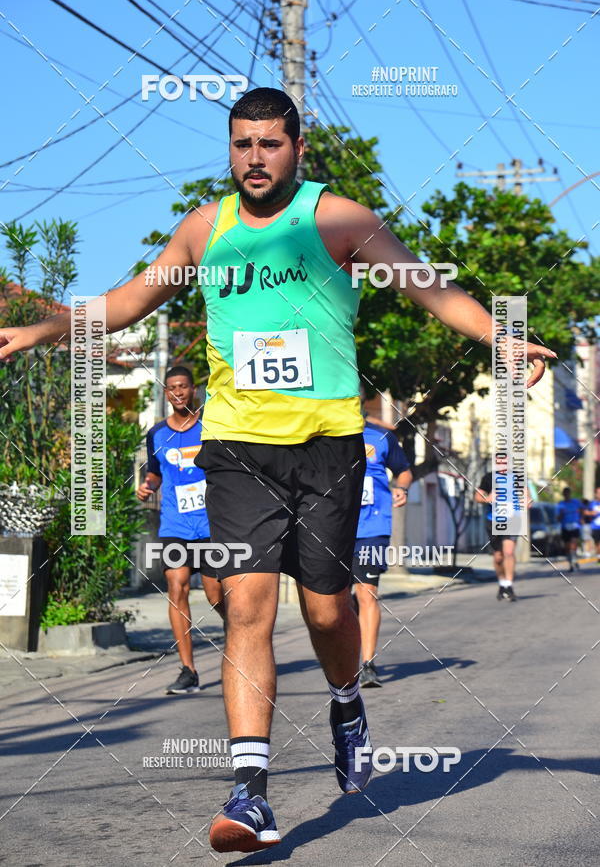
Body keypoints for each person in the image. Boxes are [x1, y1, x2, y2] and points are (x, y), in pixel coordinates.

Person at [0, 88, 555, 854]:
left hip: (327, 448)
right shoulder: (204, 229)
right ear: (228, 149)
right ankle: (251, 794)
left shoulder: (340, 220)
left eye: (269, 144)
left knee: (328, 614)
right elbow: (129, 300)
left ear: (298, 146)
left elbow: (429, 287)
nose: (253, 158)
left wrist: (504, 335)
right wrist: (44, 328)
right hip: (235, 450)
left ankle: (348, 702)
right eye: (240, 144)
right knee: (248, 608)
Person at [136, 366, 224, 693]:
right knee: (177, 587)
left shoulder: (210, 426)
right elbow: (155, 472)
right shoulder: (157, 434)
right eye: (171, 388)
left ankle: (242, 639)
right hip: (175, 524)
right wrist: (147, 485)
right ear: (166, 393)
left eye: (183, 386)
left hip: (211, 523)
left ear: (193, 390)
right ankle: (188, 670)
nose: (177, 392)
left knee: (216, 594)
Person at [352, 414, 412, 688]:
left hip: (373, 527)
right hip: (331, 527)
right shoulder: (319, 432)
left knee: (367, 594)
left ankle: (367, 664)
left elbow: (404, 470)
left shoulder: (381, 437)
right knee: (336, 601)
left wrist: (401, 488)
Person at [474, 460, 532, 601]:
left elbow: (527, 497)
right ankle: (502, 583)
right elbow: (477, 497)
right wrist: (487, 498)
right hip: (494, 521)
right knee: (498, 556)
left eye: (504, 462)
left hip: (513, 520)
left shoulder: (518, 477)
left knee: (509, 552)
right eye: (499, 462)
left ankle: (509, 586)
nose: (502, 465)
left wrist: (527, 501)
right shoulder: (488, 478)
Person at [556, 487, 583, 572]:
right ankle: (571, 562)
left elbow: (582, 509)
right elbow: (558, 517)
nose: (567, 495)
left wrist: (581, 518)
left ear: (570, 494)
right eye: (565, 493)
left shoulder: (576, 502)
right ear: (563, 494)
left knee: (573, 543)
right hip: (565, 526)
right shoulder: (560, 504)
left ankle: (574, 559)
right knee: (567, 546)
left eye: (568, 493)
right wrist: (561, 515)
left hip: (575, 525)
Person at [583, 487, 600, 561]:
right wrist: (591, 513)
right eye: (598, 493)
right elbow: (585, 512)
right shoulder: (592, 503)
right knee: (597, 542)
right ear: (596, 494)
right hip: (595, 527)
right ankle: (598, 555)